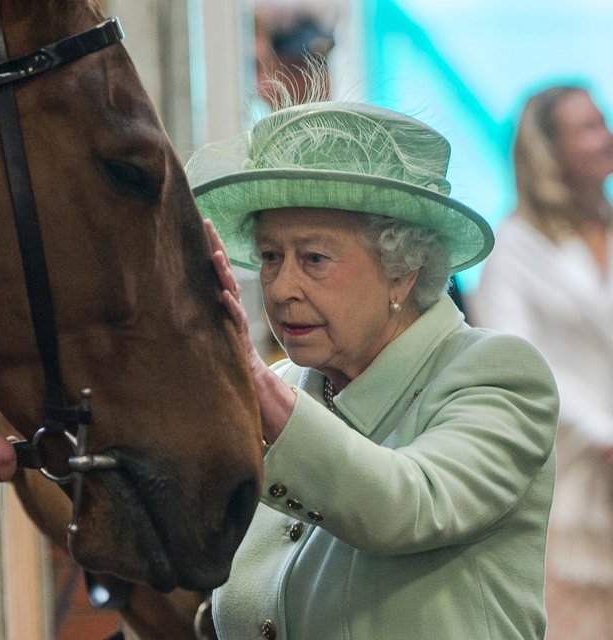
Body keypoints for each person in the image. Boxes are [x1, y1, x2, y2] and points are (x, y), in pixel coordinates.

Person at [186, 101, 559, 639]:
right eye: (270, 257)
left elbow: (409, 502)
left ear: (402, 270)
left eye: (313, 258)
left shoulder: (496, 373)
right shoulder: (284, 390)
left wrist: (257, 385)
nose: (282, 288)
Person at [471, 85, 613, 638]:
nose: (606, 138)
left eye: (604, 122)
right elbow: (521, 366)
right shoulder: (513, 248)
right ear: (549, 152)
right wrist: (604, 436)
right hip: (570, 474)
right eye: (588, 128)